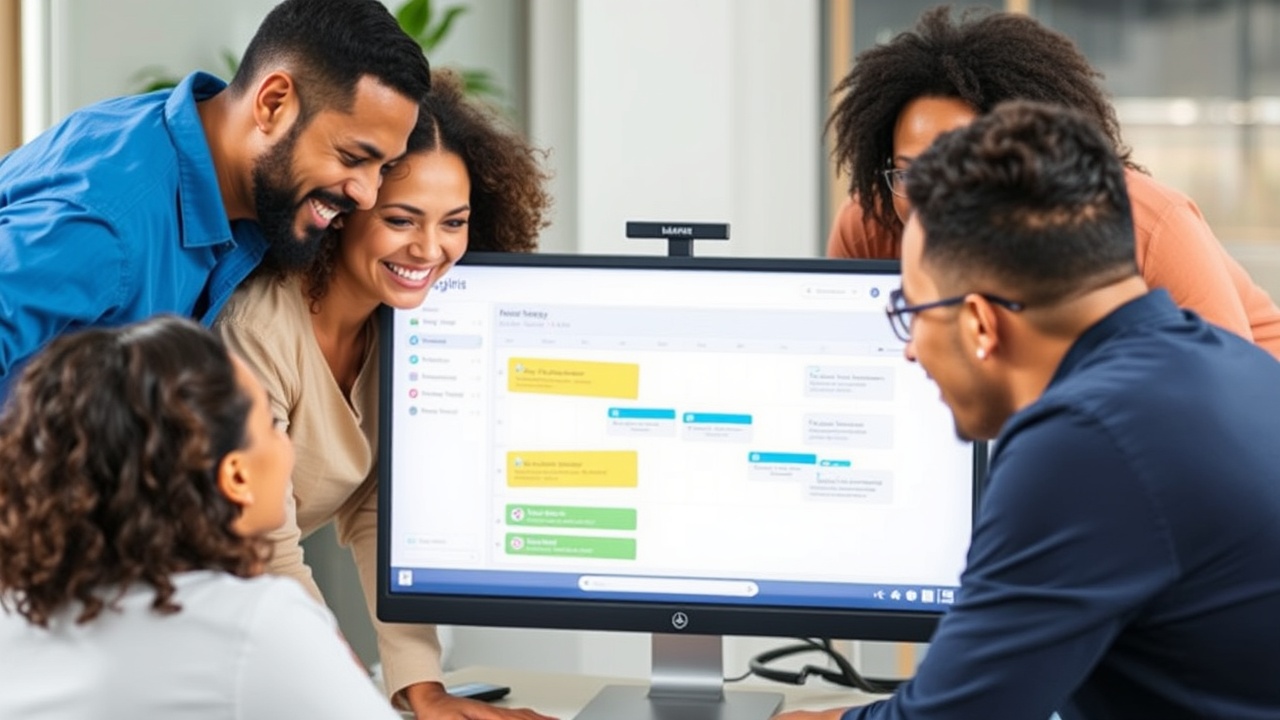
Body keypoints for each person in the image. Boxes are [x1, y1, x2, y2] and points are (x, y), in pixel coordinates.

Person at [776, 101, 1280, 719]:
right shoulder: (1226, 361)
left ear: (981, 322)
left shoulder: (1086, 439)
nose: (909, 351)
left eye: (912, 313)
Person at [215, 69, 553, 720]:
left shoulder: (396, 323)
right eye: (401, 219)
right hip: (161, 627)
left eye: (453, 222)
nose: (430, 249)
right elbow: (269, 548)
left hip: (247, 632)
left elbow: (379, 518)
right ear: (344, 211)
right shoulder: (258, 330)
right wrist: (349, 697)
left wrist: (419, 689)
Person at [0, 0, 432, 398]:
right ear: (273, 103)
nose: (367, 193)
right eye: (353, 157)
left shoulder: (232, 173)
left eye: (383, 168)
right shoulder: (109, 229)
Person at [0, 315, 403, 719]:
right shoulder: (256, 625)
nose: (286, 442)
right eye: (271, 424)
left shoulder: (15, 610)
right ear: (236, 476)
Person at [824, 5, 1280, 359]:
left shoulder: (1148, 227)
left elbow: (1226, 391)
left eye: (963, 170)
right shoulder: (873, 222)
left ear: (1032, 159)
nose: (933, 199)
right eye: (910, 171)